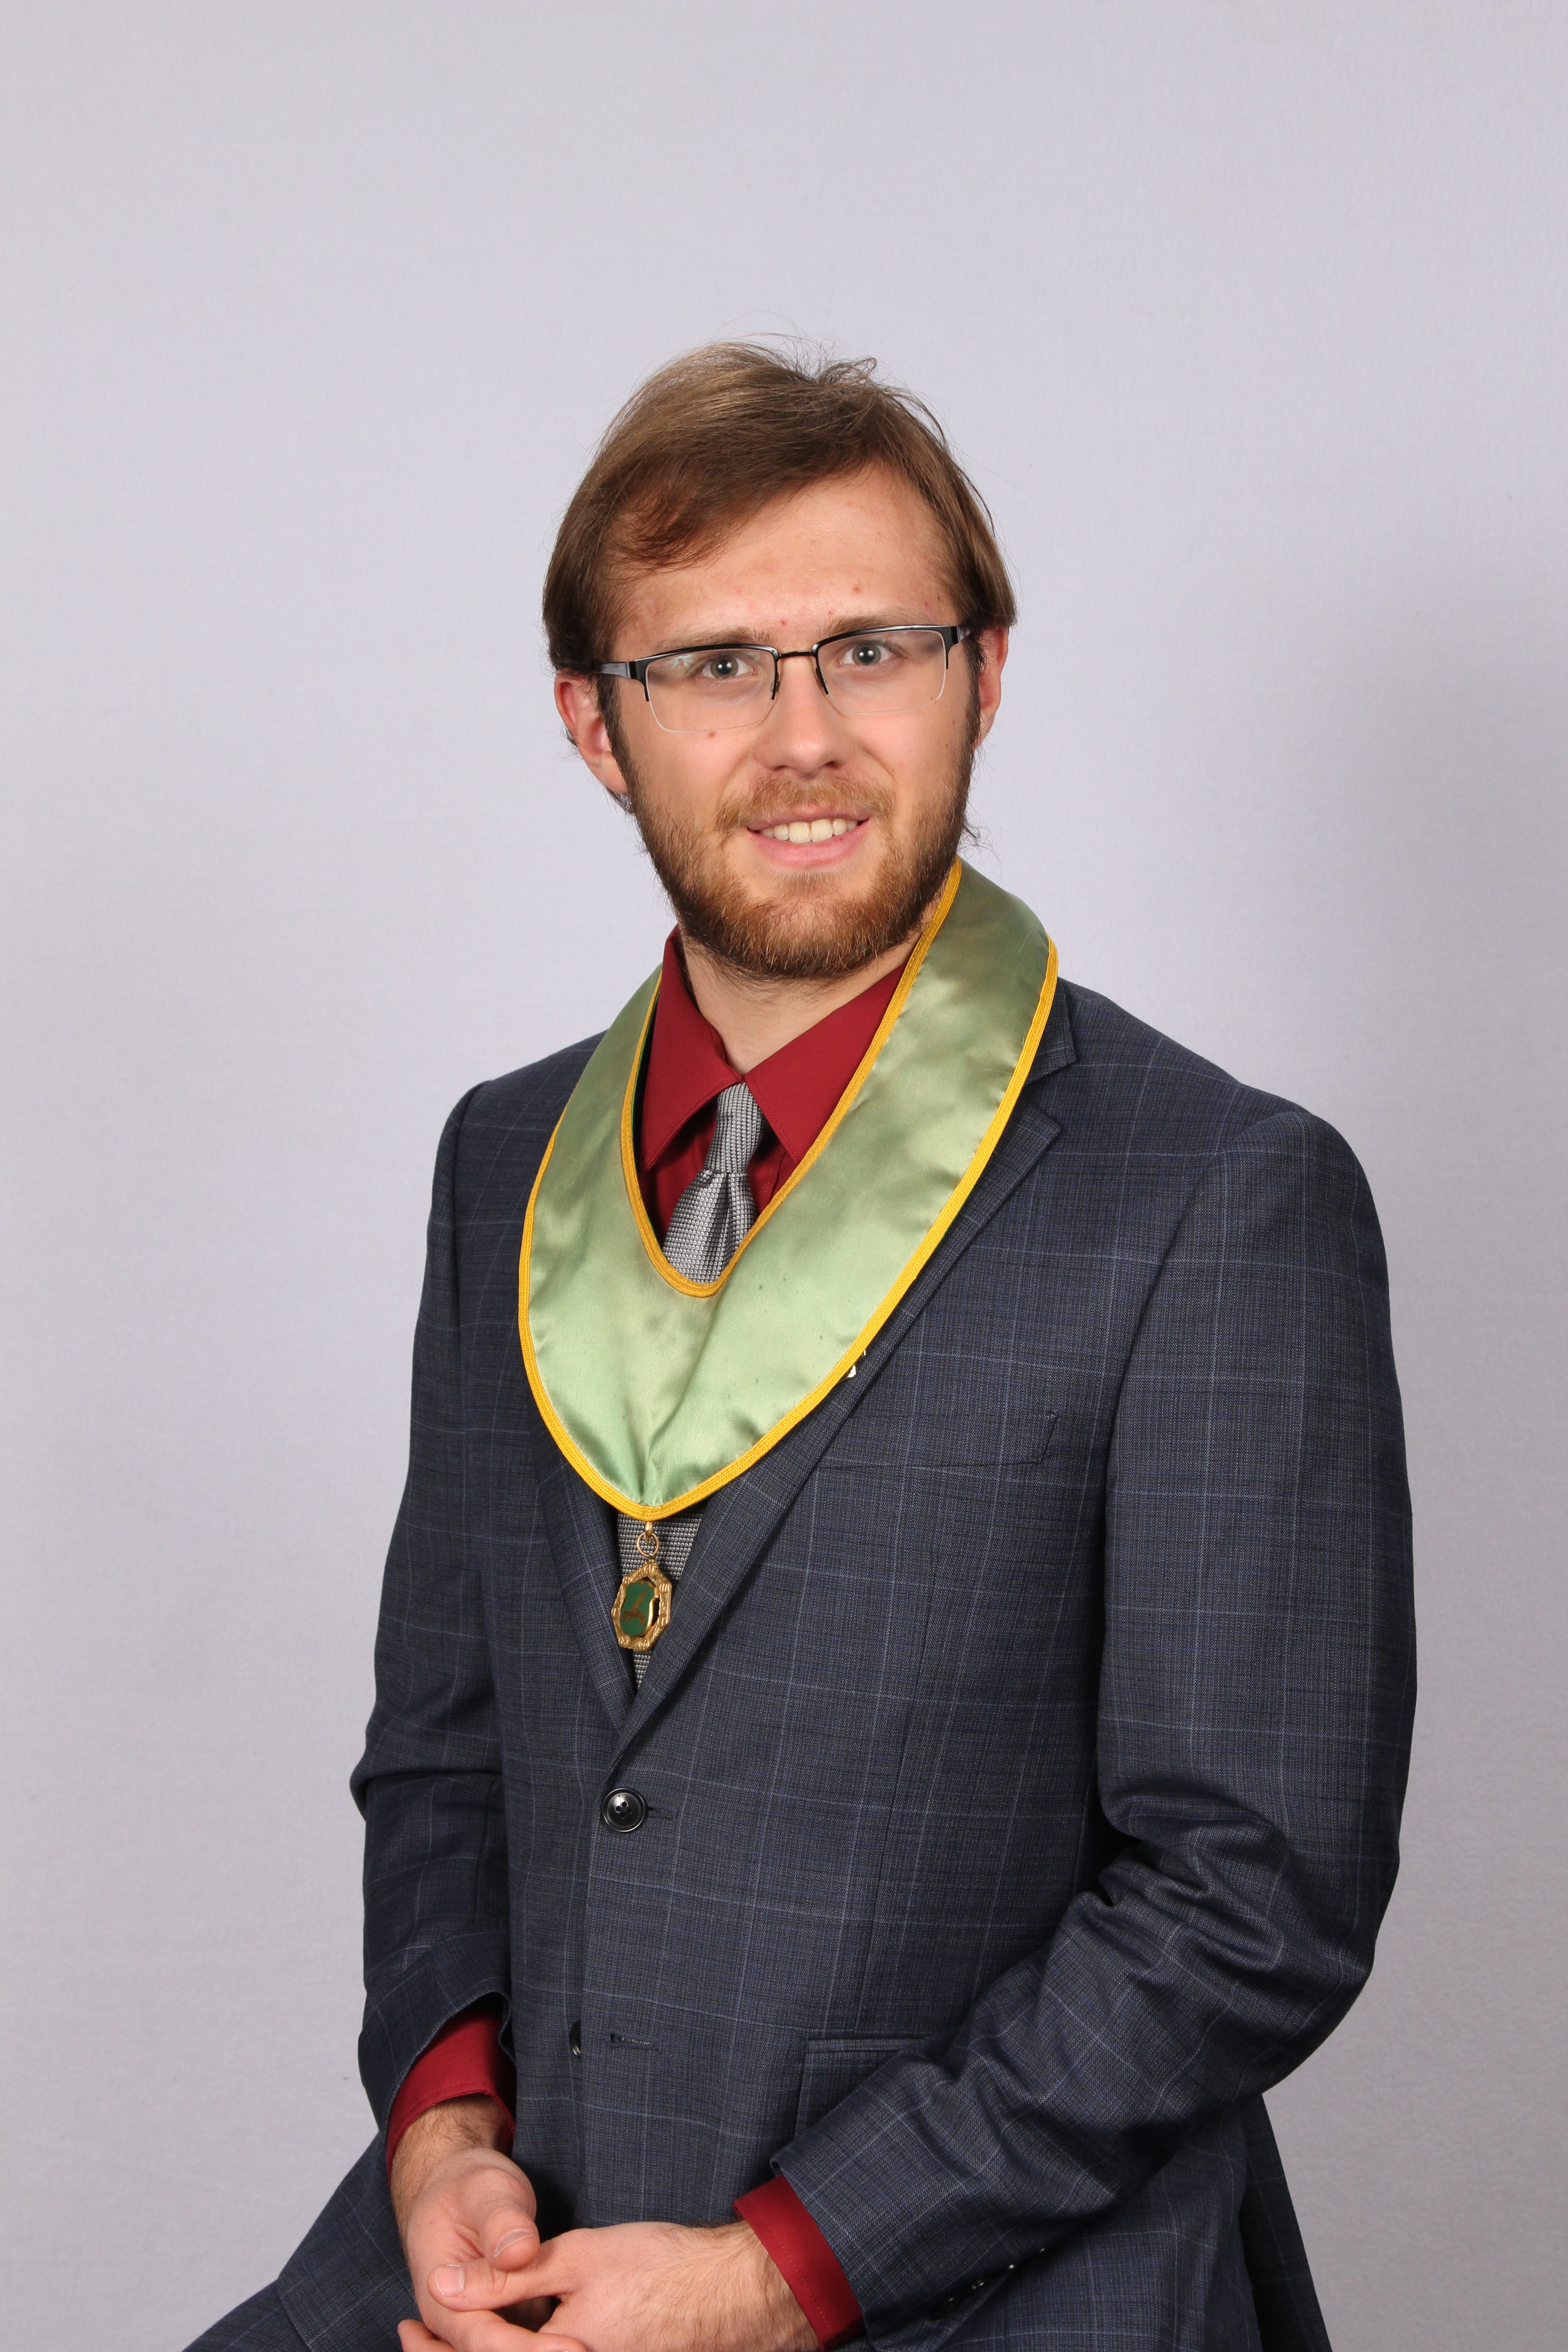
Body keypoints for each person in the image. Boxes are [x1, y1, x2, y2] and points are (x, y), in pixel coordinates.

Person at [189, 344, 1415, 2352]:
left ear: (984, 674)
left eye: (872, 648)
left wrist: (776, 2275)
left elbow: (1249, 1897)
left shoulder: (1220, 1194)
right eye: (714, 666)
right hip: (527, 2259)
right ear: (594, 723)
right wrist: (445, 2131)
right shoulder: (506, 1163)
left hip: (988, 2278)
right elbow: (446, 1749)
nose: (807, 736)